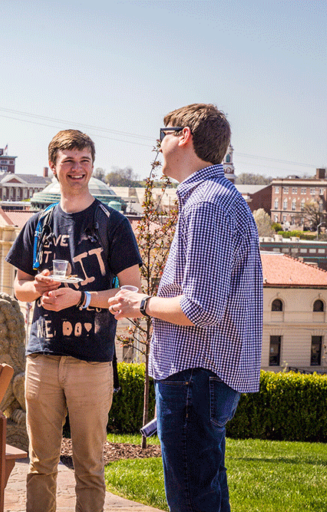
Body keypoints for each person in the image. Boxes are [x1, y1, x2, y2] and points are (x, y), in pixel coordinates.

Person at [109, 104, 262, 512]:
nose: (158, 144)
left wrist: (139, 303)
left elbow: (201, 309)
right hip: (203, 377)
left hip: (195, 376)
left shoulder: (208, 204)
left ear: (184, 136)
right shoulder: (217, 198)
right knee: (204, 496)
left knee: (193, 502)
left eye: (162, 133)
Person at [5, 130, 142, 512]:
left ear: (92, 166)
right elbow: (19, 288)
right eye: (69, 161)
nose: (77, 169)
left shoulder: (113, 223)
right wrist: (39, 286)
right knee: (39, 464)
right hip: (43, 357)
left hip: (92, 361)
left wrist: (81, 297)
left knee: (90, 467)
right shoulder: (38, 223)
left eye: (84, 161)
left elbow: (131, 290)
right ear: (53, 167)